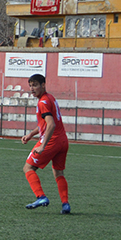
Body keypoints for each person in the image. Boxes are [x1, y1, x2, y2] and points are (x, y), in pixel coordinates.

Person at [21, 73, 71, 214]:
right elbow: (45, 124)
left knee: (28, 167)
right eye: (30, 85)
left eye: (35, 85)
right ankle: (65, 204)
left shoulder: (42, 102)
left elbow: (51, 124)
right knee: (58, 172)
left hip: (52, 141)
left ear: (43, 85)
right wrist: (31, 134)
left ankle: (41, 196)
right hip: (63, 141)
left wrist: (43, 145)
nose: (32, 88)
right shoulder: (50, 98)